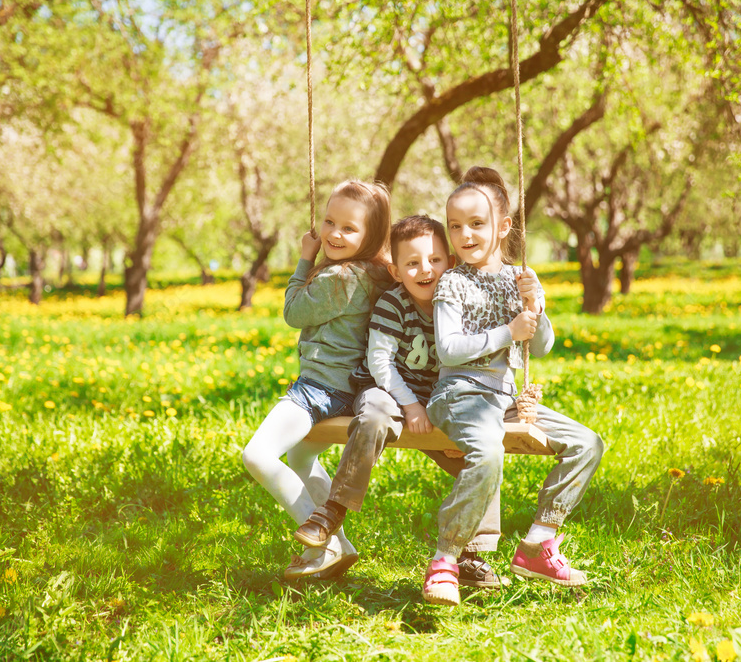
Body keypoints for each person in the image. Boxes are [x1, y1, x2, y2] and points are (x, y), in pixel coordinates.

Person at [292, 215, 509, 589]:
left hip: (443, 399)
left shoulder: (457, 302)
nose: (425, 270)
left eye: (435, 260)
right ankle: (333, 510)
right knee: (373, 413)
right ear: (395, 270)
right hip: (390, 392)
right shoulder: (393, 305)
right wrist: (409, 406)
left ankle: (471, 554)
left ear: (451, 261)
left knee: (483, 452)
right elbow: (380, 363)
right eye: (412, 263)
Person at [422, 166, 605, 606]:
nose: (464, 234)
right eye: (455, 226)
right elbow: (447, 350)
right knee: (487, 451)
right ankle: (445, 560)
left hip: (504, 401)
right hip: (460, 395)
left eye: (477, 224)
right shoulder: (453, 281)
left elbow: (542, 346)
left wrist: (535, 305)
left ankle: (538, 544)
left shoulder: (518, 277)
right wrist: (508, 331)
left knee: (587, 443)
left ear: (503, 227)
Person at [242, 180, 393, 580]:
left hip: (320, 390)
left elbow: (294, 312)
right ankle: (342, 546)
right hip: (351, 389)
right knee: (301, 456)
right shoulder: (374, 274)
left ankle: (321, 541)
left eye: (349, 228)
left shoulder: (339, 278)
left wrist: (304, 261)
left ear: (371, 235)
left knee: (257, 455)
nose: (333, 234)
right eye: (329, 221)